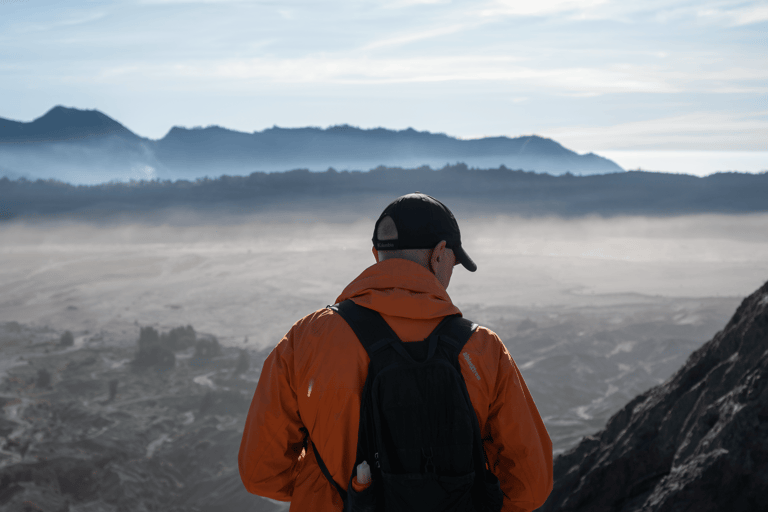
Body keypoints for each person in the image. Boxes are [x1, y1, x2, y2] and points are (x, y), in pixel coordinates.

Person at [239, 193, 553, 511]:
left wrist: (326, 487)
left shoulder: (307, 338)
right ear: (440, 254)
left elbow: (262, 474)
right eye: (454, 264)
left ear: (377, 254)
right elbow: (531, 486)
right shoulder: (483, 348)